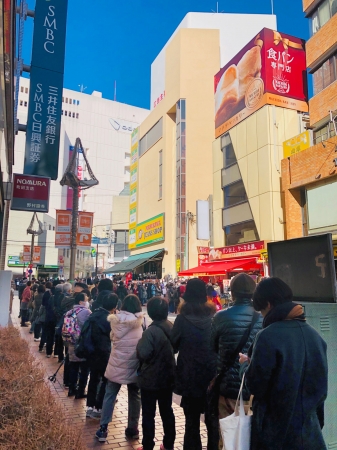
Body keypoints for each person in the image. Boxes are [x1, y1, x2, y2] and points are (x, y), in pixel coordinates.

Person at [239, 277, 328, 450]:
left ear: (269, 305)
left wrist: (245, 365)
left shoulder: (267, 336)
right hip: (310, 433)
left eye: (262, 311)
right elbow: (321, 390)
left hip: (276, 434)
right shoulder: (315, 337)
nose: (262, 316)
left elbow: (255, 386)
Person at [210, 273, 262, 447]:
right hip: (254, 388)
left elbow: (213, 348)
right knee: (251, 436)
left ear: (232, 293)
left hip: (228, 388)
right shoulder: (263, 317)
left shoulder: (220, 317)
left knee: (228, 435)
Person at [170, 278, 217, 450]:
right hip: (212, 376)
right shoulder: (214, 318)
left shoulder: (182, 319)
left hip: (189, 376)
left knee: (191, 422)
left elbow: (173, 346)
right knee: (212, 422)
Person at [95, 294, 144, 443]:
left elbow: (112, 338)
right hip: (134, 364)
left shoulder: (115, 321)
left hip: (116, 363)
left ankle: (103, 429)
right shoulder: (141, 321)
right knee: (135, 396)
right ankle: (133, 428)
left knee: (110, 395)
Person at [136, 297, 176, 450]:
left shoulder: (151, 331)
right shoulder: (171, 327)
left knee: (148, 414)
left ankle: (147, 445)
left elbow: (143, 353)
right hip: (168, 376)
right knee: (167, 411)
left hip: (150, 379)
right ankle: (168, 443)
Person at [85, 292, 119, 419]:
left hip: (92, 351)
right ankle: (99, 407)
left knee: (93, 378)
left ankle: (89, 406)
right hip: (105, 353)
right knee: (105, 380)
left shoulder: (94, 314)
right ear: (114, 306)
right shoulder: (110, 319)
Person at [63, 292, 91, 398]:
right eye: (86, 299)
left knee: (73, 367)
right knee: (84, 369)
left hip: (71, 342)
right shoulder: (86, 312)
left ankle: (71, 389)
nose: (87, 301)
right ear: (81, 302)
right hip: (82, 344)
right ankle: (80, 391)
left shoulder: (70, 312)